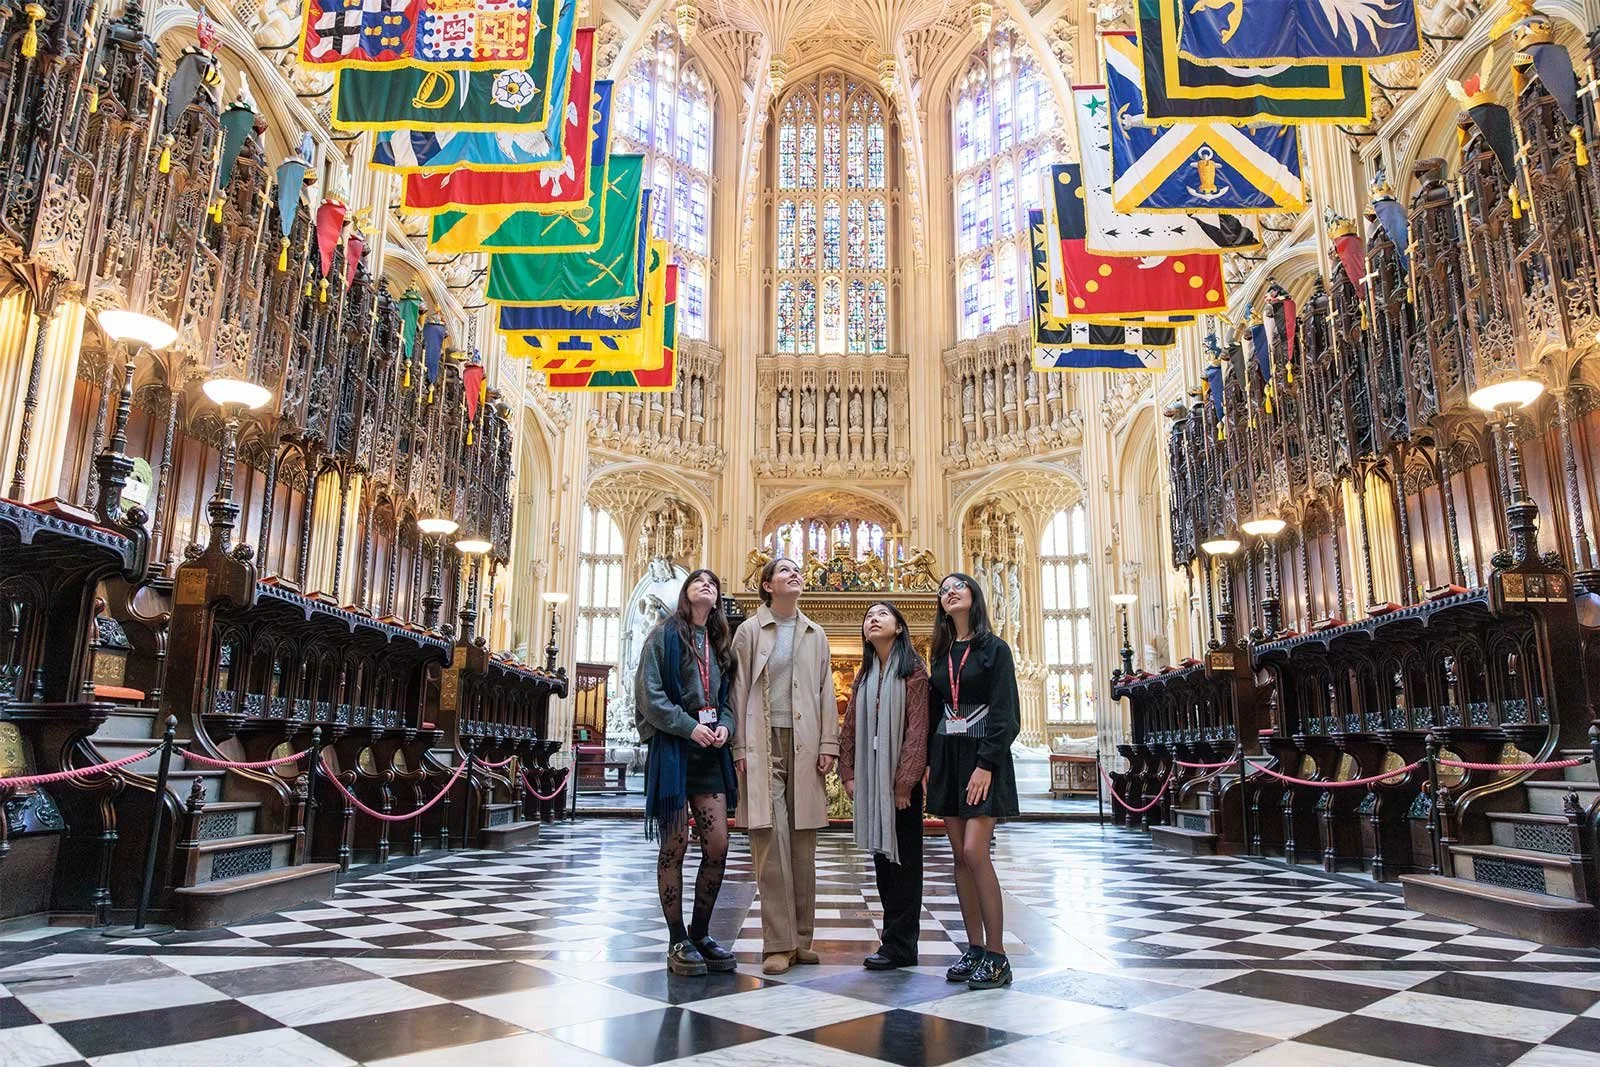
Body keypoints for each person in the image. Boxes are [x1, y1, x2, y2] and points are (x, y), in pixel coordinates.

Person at [732, 557, 838, 975]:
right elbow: (738, 690)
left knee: (802, 845)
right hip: (762, 741)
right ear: (767, 585)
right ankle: (778, 942)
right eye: (785, 571)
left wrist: (828, 741)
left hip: (806, 741)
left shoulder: (816, 634)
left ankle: (802, 940)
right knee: (769, 841)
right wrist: (739, 745)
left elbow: (826, 691)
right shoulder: (749, 631)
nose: (796, 574)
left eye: (799, 570)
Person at [634, 568, 740, 977]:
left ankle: (701, 933)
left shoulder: (720, 644)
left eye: (714, 583)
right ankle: (677, 938)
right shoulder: (663, 635)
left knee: (717, 846)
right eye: (698, 581)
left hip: (710, 751)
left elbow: (728, 697)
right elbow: (649, 693)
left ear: (717, 599)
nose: (706, 585)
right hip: (675, 749)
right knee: (674, 845)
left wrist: (725, 726)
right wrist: (687, 726)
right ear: (686, 593)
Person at [926, 571, 1020, 990]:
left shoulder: (994, 650)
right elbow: (935, 712)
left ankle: (998, 954)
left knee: (975, 851)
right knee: (958, 858)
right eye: (943, 591)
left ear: (974, 597)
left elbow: (1006, 713)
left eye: (957, 587)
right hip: (949, 755)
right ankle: (975, 948)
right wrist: (930, 762)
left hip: (985, 756)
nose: (950, 593)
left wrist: (986, 764)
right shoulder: (942, 653)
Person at [840, 601, 929, 970]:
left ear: (899, 627)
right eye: (868, 617)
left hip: (899, 786)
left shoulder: (914, 672)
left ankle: (902, 944)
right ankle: (891, 941)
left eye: (882, 615)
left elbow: (917, 731)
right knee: (882, 862)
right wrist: (848, 771)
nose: (873, 620)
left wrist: (905, 782)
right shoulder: (865, 674)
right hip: (873, 781)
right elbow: (851, 726)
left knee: (905, 864)